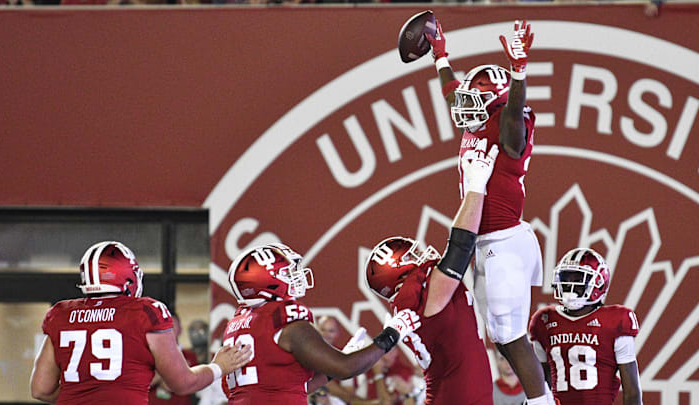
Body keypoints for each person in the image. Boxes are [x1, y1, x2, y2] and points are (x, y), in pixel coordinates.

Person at [424, 18, 554, 405]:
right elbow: (453, 95)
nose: (464, 107)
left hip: (504, 240)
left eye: (475, 99)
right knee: (501, 337)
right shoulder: (476, 118)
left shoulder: (508, 123)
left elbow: (513, 120)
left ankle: (543, 403)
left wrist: (519, 72)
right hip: (487, 242)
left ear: (497, 102)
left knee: (510, 338)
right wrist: (440, 57)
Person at [30, 240, 251, 404]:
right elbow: (182, 383)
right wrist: (218, 367)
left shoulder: (61, 314)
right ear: (128, 276)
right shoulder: (145, 312)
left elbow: (40, 389)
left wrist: (86, 395)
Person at [364, 141, 498, 404]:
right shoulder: (413, 299)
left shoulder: (411, 298)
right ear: (398, 272)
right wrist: (475, 187)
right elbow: (459, 249)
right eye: (411, 256)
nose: (422, 256)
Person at [222, 242, 422, 404]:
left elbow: (297, 387)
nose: (296, 277)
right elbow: (346, 368)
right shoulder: (286, 323)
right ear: (263, 282)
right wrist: (392, 333)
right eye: (286, 273)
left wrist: (332, 368)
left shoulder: (240, 324)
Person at [529, 248, 642, 405]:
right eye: (567, 279)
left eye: (578, 279)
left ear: (598, 283)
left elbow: (632, 391)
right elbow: (541, 382)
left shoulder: (615, 320)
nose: (571, 286)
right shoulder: (544, 320)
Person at [149, 313, 199, 405]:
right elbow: (145, 382)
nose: (170, 329)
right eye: (167, 325)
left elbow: (189, 384)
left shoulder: (191, 357)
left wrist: (160, 372)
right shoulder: (150, 355)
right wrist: (172, 372)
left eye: (173, 325)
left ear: (180, 329)